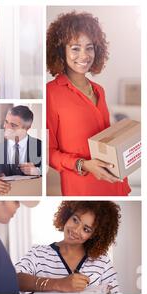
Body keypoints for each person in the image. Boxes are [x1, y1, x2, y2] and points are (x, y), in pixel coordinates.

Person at [46, 11, 130, 196]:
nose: (84, 55)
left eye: (89, 47)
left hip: (116, 181)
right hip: (83, 186)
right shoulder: (50, 93)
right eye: (75, 48)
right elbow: (48, 152)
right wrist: (83, 164)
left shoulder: (99, 89)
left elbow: (107, 138)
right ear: (61, 50)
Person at [15, 201, 120, 294]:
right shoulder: (38, 253)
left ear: (93, 235)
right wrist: (59, 284)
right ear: (67, 216)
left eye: (86, 229)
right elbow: (14, 279)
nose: (75, 230)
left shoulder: (102, 263)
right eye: (75, 220)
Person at [0, 105, 42, 194]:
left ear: (27, 128)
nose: (6, 127)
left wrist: (37, 171)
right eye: (6, 122)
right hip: (2, 200)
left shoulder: (40, 146)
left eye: (13, 125)